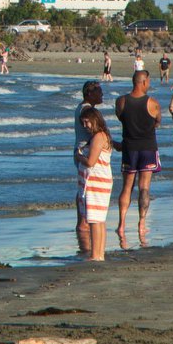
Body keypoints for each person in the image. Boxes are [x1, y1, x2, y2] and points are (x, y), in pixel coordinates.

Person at [113, 70, 162, 246]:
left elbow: (120, 118)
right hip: (147, 147)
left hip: (129, 147)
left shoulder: (121, 101)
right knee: (144, 188)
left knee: (126, 187)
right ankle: (141, 223)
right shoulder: (153, 102)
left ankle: (121, 224)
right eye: (148, 81)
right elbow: (157, 121)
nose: (149, 83)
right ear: (142, 82)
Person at [71, 80, 105, 258]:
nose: (102, 95)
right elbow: (94, 131)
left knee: (83, 188)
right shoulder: (86, 110)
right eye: (99, 92)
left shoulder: (82, 107)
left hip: (82, 151)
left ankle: (81, 223)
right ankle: (82, 223)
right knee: (86, 190)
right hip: (84, 152)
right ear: (89, 94)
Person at [78, 106, 114, 262]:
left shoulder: (99, 137)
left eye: (87, 122)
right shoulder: (102, 135)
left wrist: (78, 156)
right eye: (83, 123)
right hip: (100, 181)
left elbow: (91, 162)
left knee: (94, 219)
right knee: (99, 220)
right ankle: (99, 254)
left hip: (97, 182)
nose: (85, 126)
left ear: (94, 120)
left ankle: (96, 254)